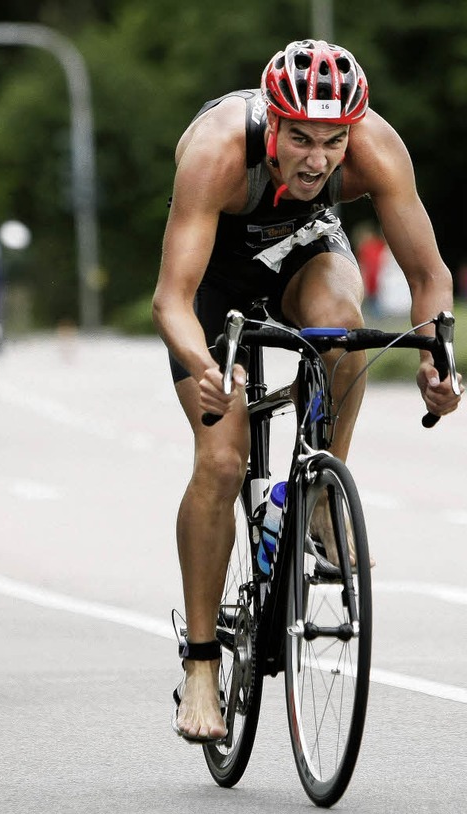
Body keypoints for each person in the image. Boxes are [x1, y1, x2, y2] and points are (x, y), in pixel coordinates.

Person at [152, 39, 463, 743]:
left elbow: (429, 273)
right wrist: (204, 364)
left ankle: (322, 490)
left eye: (332, 141)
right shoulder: (217, 150)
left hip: (305, 252)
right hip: (215, 284)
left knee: (343, 329)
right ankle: (202, 663)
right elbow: (171, 297)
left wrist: (437, 357)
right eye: (300, 138)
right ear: (272, 123)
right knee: (223, 461)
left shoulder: (375, 147)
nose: (318, 158)